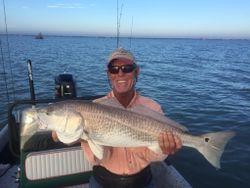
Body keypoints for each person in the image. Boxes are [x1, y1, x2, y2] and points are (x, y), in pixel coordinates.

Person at [78, 47, 182, 188]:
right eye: (114, 69)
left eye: (127, 68)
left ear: (136, 71)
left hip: (143, 182)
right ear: (109, 74)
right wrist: (82, 136)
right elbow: (99, 158)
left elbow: (151, 157)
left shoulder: (152, 108)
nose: (120, 73)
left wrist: (164, 149)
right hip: (102, 183)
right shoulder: (94, 109)